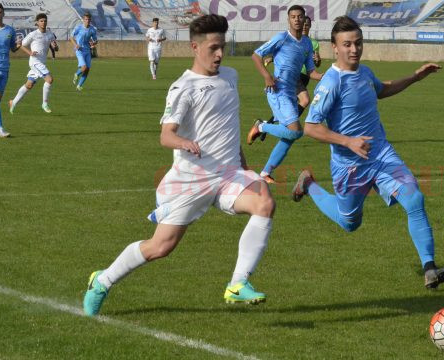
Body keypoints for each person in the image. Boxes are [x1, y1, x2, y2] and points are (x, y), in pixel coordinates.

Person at [83, 14, 276, 316]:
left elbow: (226, 126)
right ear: (195, 48)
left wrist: (243, 164)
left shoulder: (231, 77)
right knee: (161, 247)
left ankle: (237, 284)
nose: (219, 54)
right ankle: (102, 281)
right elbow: (165, 135)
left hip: (227, 175)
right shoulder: (182, 88)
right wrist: (183, 142)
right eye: (213, 47)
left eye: (222, 47)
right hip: (192, 180)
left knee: (264, 202)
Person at [292, 16, 444, 290]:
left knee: (414, 198)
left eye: (358, 43)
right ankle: (309, 184)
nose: (354, 50)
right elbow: (310, 127)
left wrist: (416, 77)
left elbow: (382, 89)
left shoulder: (364, 73)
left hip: (381, 155)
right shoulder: (331, 83)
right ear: (334, 47)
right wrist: (348, 142)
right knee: (349, 223)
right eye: (347, 45)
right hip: (350, 165)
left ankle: (429, 268)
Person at [248, 5, 322, 184]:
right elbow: (256, 55)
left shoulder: (306, 44)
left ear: (305, 19)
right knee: (295, 132)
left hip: (291, 93)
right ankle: (261, 127)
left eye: (300, 17)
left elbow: (311, 72)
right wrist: (267, 76)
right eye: (293, 17)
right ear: (288, 19)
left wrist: (326, 76)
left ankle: (265, 173)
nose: (297, 19)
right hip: (278, 91)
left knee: (289, 136)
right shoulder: (281, 38)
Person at [9, 13, 58, 114]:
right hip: (35, 62)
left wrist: (55, 46)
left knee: (29, 84)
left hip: (42, 62)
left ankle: (13, 102)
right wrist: (30, 52)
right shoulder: (33, 34)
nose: (43, 23)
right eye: (41, 21)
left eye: (45, 21)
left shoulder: (50, 34)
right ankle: (44, 103)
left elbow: (56, 48)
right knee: (49, 79)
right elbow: (20, 45)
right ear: (37, 23)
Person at [0, 3, 21, 138]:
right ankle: (0, 129)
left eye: (0, 12)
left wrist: (18, 45)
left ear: (3, 14)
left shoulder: (10, 31)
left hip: (5, 69)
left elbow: (12, 48)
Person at [296, 16, 321, 114]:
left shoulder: (314, 43)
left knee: (292, 104)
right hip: (296, 75)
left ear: (310, 26)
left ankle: (267, 124)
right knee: (304, 100)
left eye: (307, 25)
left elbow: (317, 63)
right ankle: (288, 125)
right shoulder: (296, 40)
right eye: (303, 24)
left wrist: (317, 60)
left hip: (306, 76)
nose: (304, 27)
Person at [70, 12, 97, 91]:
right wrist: (75, 44)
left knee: (87, 69)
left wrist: (93, 43)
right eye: (86, 19)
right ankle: (76, 74)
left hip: (87, 50)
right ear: (83, 20)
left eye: (89, 19)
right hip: (79, 50)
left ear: (90, 20)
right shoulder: (78, 27)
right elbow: (71, 37)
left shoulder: (92, 29)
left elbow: (95, 40)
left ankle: (79, 86)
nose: (87, 21)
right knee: (84, 67)